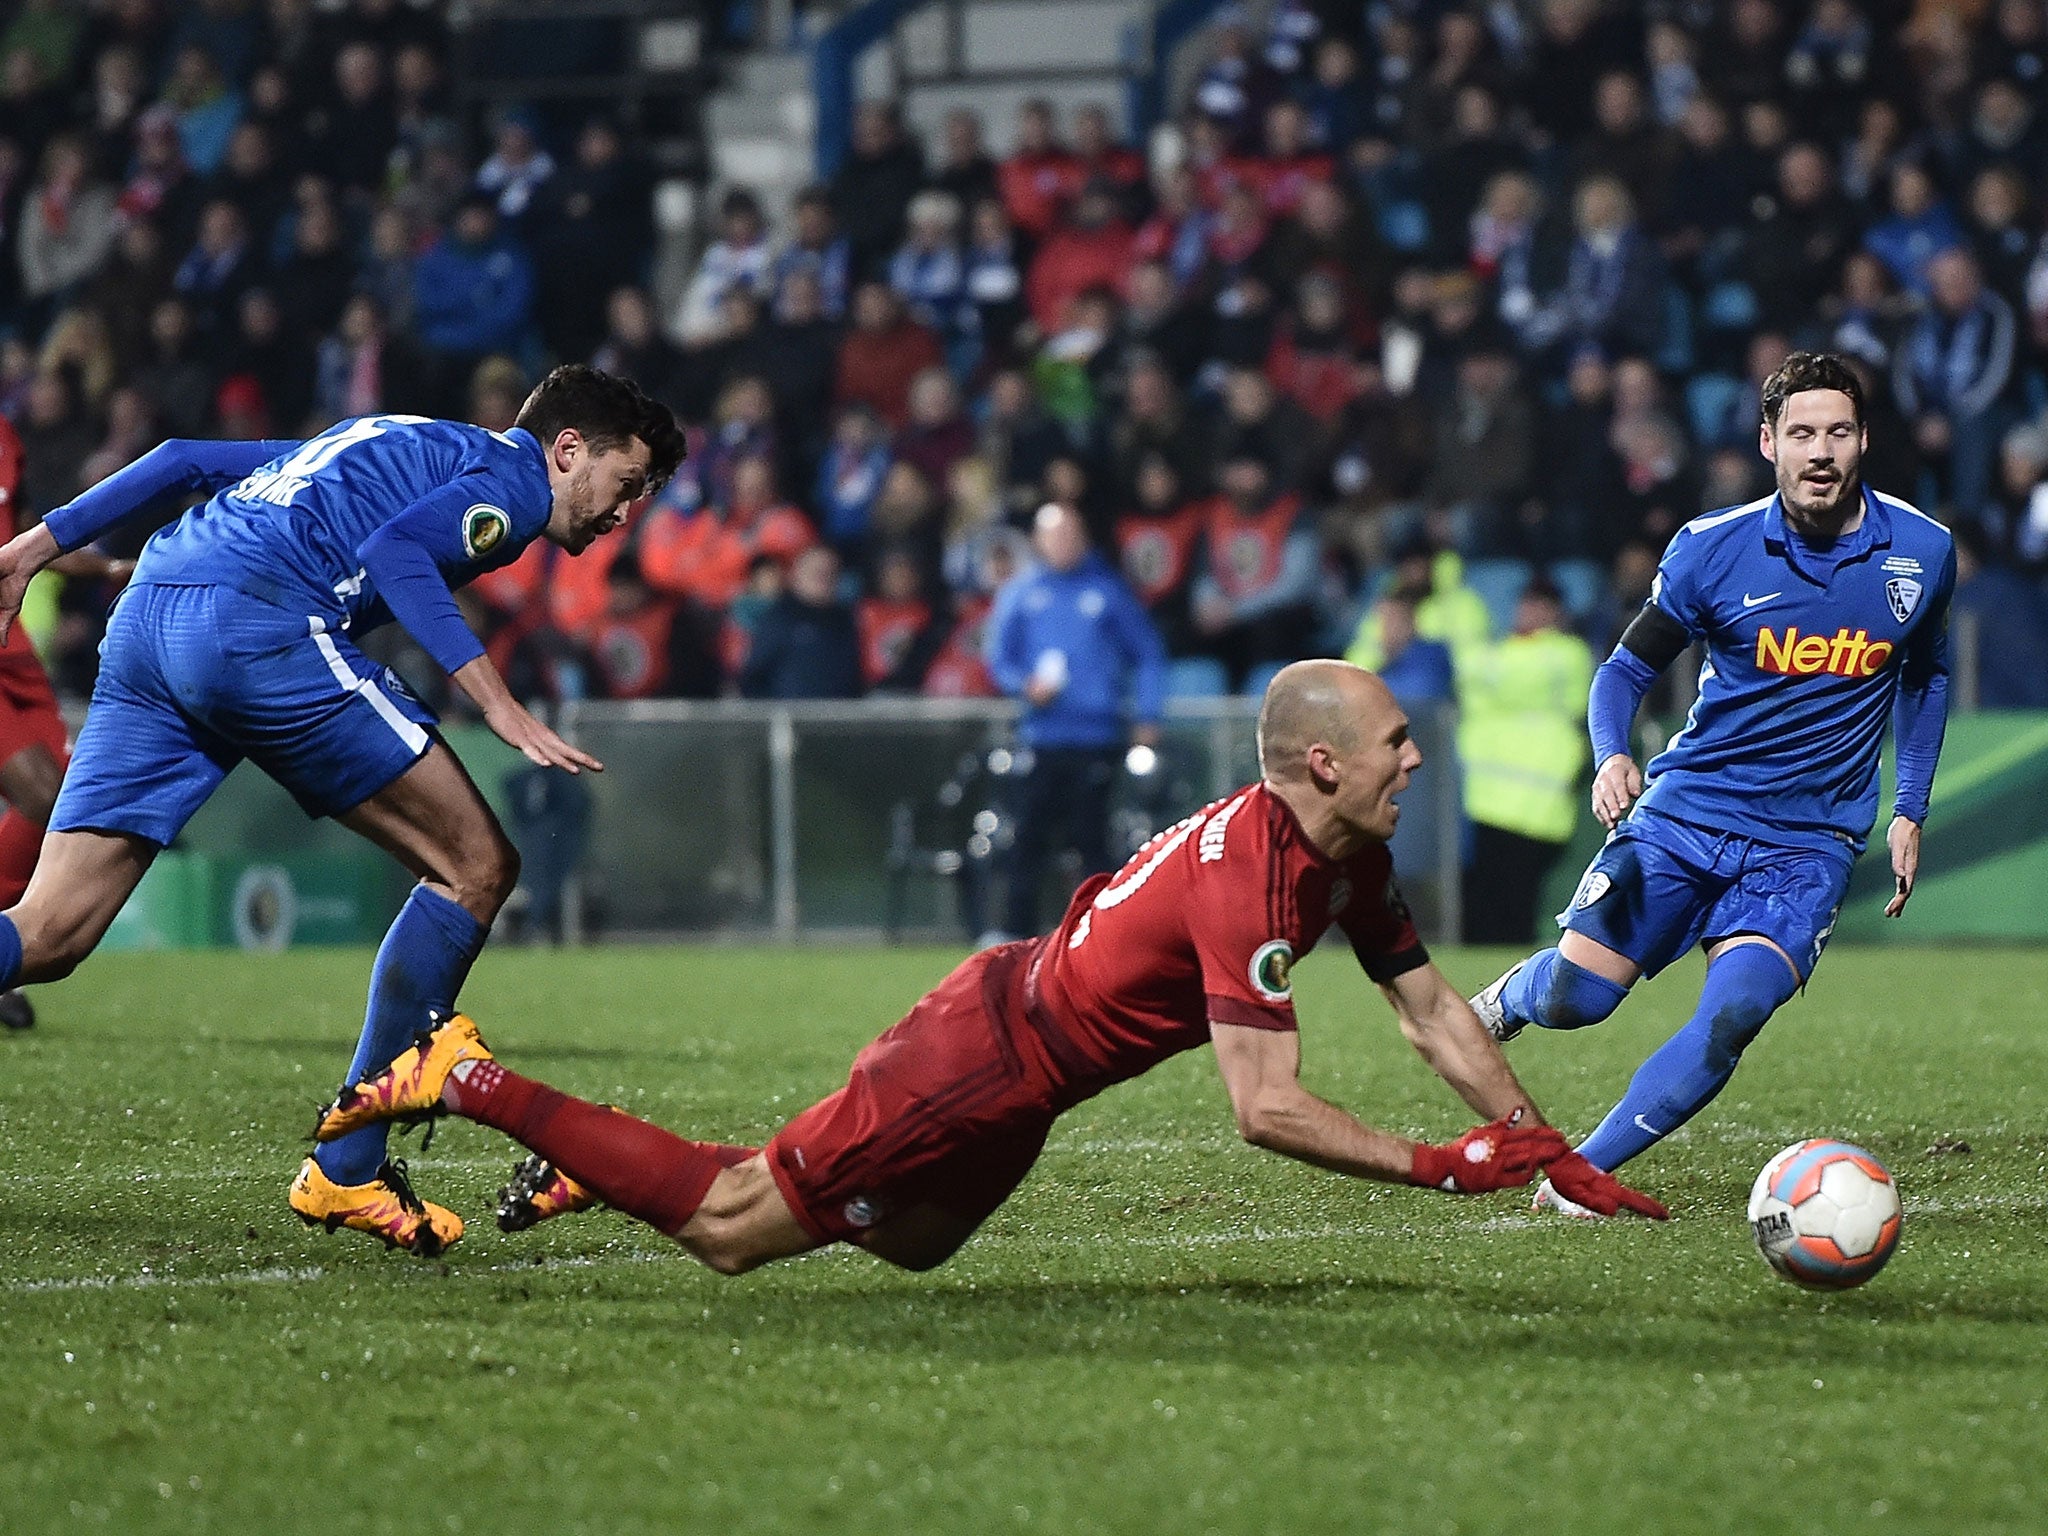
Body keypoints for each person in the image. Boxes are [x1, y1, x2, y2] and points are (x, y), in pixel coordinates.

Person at [312, 660, 1665, 1275]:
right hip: (987, 1053)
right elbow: (1264, 1109)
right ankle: (466, 1073)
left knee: (904, 1244)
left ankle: (596, 1168)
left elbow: (1430, 1006)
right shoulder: (1250, 878)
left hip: (1022, 1073)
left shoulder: (1345, 857)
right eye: (1393, 744)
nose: (1413, 757)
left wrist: (1542, 1148)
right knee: (732, 1235)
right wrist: (1440, 1171)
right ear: (1325, 764)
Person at [0, 365, 685, 1253]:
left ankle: (350, 1166)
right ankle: (346, 1167)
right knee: (477, 866)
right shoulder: (513, 491)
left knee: (48, 932)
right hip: (255, 622)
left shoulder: (394, 442)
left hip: (149, 615)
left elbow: (179, 460)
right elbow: (402, 556)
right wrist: (499, 705)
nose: (622, 512)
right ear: (565, 451)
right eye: (624, 484)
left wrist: (30, 549)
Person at [1470, 353, 1954, 1220]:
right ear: (1768, 442)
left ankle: (1582, 1175)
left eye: (1837, 432)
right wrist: (1613, 753)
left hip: (1806, 847)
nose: (1819, 451)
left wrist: (1909, 806)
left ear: (1863, 442)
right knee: (1580, 998)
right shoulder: (1710, 549)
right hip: (1683, 818)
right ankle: (1511, 996)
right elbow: (1621, 670)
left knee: (1733, 1016)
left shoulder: (1921, 553)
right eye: (1800, 432)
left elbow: (1927, 678)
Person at [986, 505, 1167, 944]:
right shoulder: (1021, 593)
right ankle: (1014, 933)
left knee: (1093, 840)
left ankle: (1103, 936)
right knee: (1027, 836)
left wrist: (1148, 714)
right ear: (1038, 541)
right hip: (1042, 736)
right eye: (1055, 535)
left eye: (1071, 534)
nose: (1063, 543)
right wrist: (1023, 685)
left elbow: (1147, 653)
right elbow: (998, 659)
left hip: (1097, 737)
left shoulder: (1108, 591)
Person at [1457, 579, 1594, 945]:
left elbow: (1493, 676)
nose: (1528, 613)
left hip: (1535, 802)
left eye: (1539, 605)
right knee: (1484, 894)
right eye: (1526, 603)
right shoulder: (1505, 652)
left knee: (1516, 899)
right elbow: (1471, 677)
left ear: (1557, 613)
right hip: (1488, 796)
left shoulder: (1566, 653)